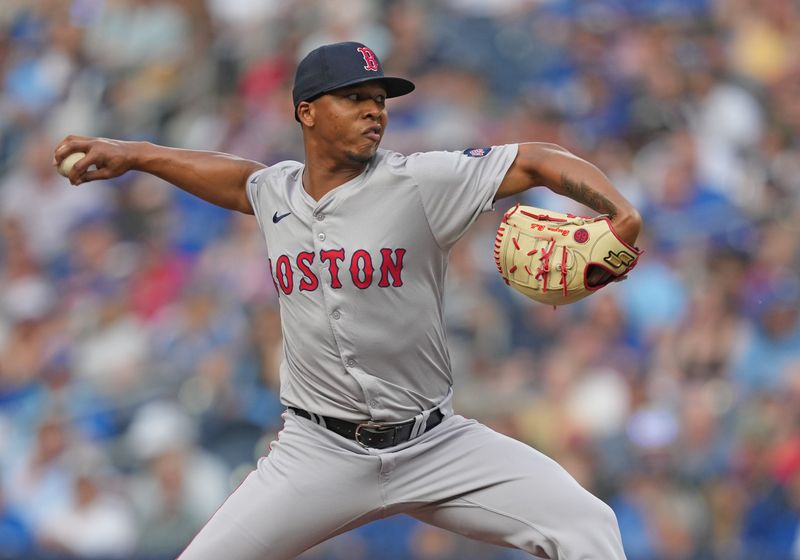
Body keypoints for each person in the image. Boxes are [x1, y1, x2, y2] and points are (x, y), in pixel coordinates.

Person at [54, 41, 641, 560]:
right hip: (318, 453)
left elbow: (535, 158)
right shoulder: (275, 192)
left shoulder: (419, 182)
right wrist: (133, 153)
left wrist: (621, 211)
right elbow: (238, 180)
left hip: (436, 443)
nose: (374, 110)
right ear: (307, 112)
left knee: (588, 526)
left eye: (380, 99)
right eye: (354, 97)